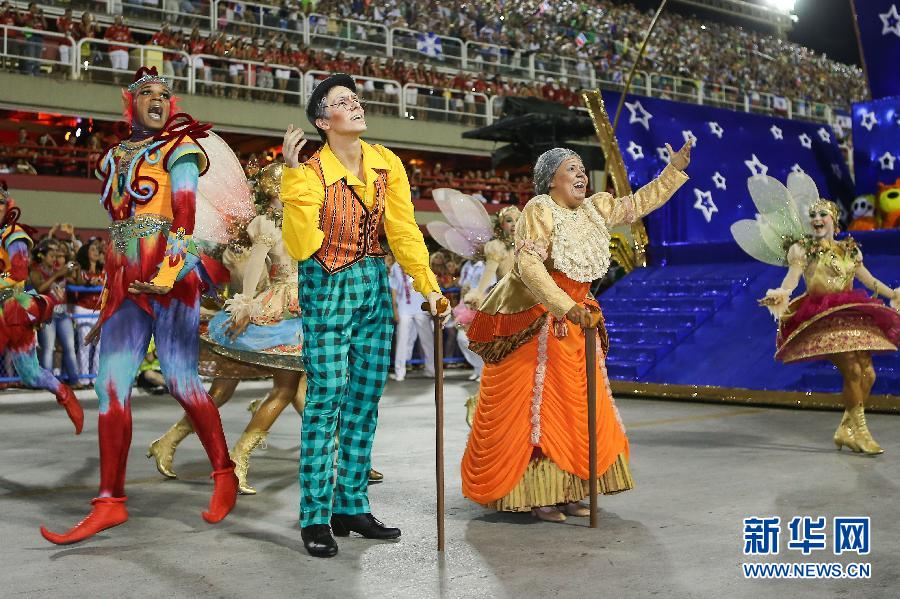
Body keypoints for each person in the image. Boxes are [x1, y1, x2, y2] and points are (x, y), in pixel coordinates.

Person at [39, 66, 238, 545]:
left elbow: (185, 213)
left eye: (165, 94)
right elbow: (118, 232)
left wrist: (169, 272)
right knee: (109, 387)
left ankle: (224, 473)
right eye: (148, 92)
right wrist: (110, 298)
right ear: (131, 102)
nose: (158, 100)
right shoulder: (113, 158)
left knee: (181, 381)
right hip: (126, 279)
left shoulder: (181, 148)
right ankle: (110, 501)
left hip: (169, 276)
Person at [462, 143, 691, 522]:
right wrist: (564, 307)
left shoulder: (595, 209)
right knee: (538, 408)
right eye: (571, 168)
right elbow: (529, 266)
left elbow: (637, 204)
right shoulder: (539, 210)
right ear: (551, 180)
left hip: (577, 320)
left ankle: (569, 490)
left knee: (575, 407)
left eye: (582, 168)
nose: (582, 174)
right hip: (536, 319)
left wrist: (673, 171)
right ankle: (538, 495)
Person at [280, 72, 450, 557]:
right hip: (327, 287)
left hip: (374, 285)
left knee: (365, 399)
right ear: (323, 121)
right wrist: (292, 177)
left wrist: (429, 286)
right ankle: (315, 515)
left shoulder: (385, 163)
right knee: (325, 400)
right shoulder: (309, 173)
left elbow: (403, 231)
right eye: (342, 101)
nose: (355, 104)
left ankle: (350, 504)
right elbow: (302, 245)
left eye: (356, 98)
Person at [751, 189, 900, 454]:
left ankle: (845, 429)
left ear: (834, 219)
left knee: (869, 374)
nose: (816, 219)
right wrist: (781, 293)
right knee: (853, 371)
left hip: (853, 313)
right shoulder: (803, 249)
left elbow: (869, 281)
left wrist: (894, 295)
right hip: (824, 315)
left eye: (822, 214)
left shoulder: (850, 250)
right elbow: (792, 278)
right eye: (813, 215)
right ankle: (862, 432)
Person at [0, 184, 83, 432]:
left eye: (0, 203)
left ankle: (64, 392)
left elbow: (19, 273)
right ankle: (64, 392)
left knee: (31, 374)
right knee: (31, 375)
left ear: (8, 207)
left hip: (12, 310)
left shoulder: (14, 235)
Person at [29, 238, 80, 387]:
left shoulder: (60, 270)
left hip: (63, 314)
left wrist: (76, 269)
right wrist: (57, 275)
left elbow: (78, 282)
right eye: (51, 256)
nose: (54, 259)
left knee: (69, 347)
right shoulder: (36, 272)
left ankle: (75, 380)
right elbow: (40, 288)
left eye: (55, 256)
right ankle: (48, 382)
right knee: (48, 349)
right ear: (43, 256)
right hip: (47, 316)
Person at [388, 260, 434, 382]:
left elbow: (428, 283)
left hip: (421, 306)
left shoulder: (419, 260)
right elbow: (393, 289)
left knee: (428, 340)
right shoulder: (396, 266)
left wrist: (431, 304)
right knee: (402, 340)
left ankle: (432, 370)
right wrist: (395, 309)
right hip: (404, 307)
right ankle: (399, 372)